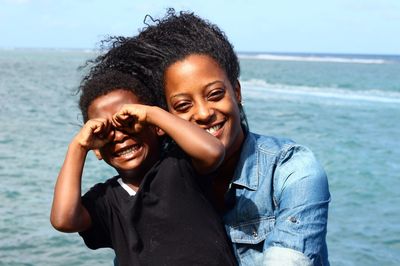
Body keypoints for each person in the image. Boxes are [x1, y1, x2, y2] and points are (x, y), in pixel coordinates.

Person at [92, 10, 331, 266]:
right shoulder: (161, 182)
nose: (204, 113)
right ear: (165, 118)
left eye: (215, 94)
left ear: (236, 92)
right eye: (183, 106)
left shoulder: (293, 170)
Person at [50, 70, 237, 266]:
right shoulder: (106, 200)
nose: (120, 136)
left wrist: (152, 113)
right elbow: (64, 220)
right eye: (106, 132)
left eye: (129, 122)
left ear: (157, 127)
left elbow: (213, 151)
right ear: (96, 150)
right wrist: (78, 146)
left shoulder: (181, 165)